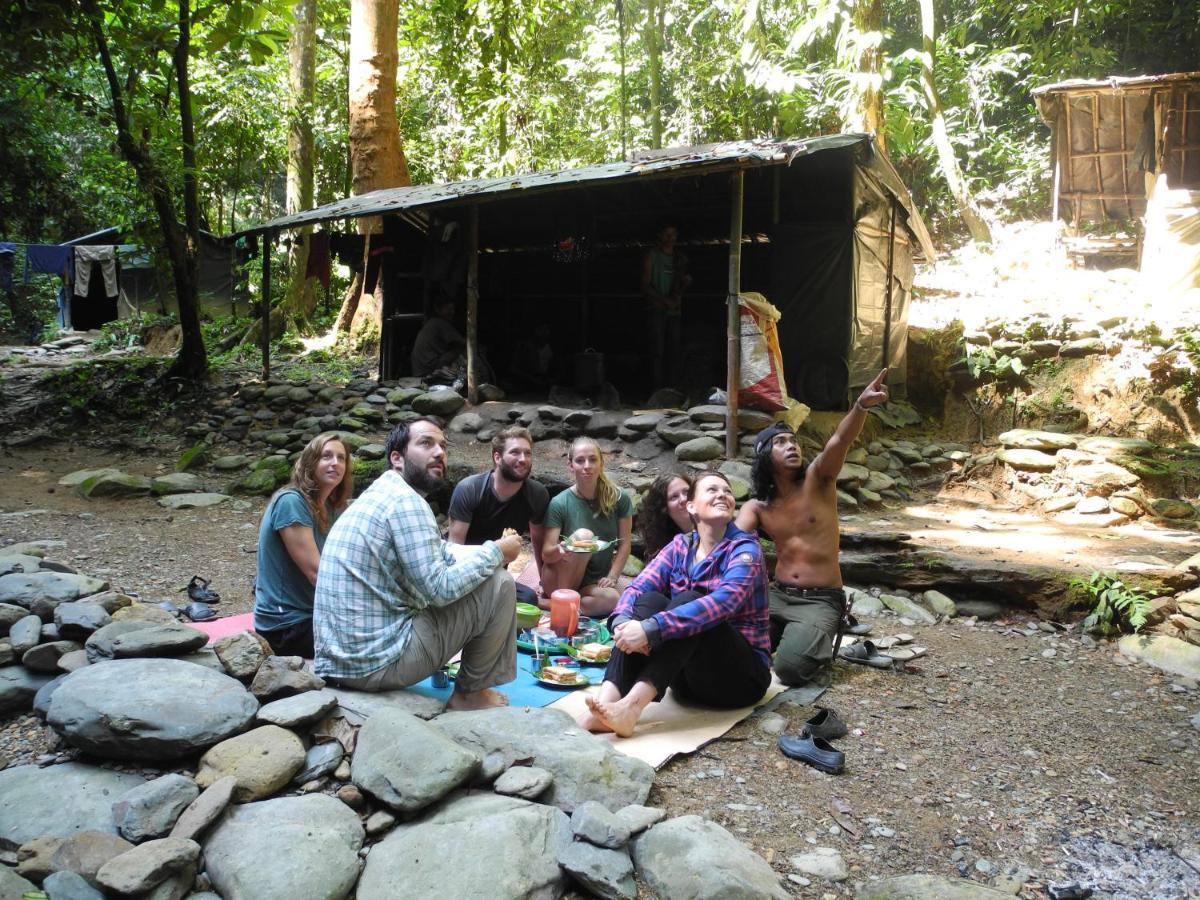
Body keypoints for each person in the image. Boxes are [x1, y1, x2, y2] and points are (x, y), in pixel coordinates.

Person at [313, 417, 522, 708]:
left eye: (442, 446)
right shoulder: (407, 503)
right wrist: (497, 553)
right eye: (426, 443)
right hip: (374, 664)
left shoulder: (383, 494)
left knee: (487, 571)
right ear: (397, 459)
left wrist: (489, 550)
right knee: (500, 584)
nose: (439, 452)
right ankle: (470, 695)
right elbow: (440, 590)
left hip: (341, 662)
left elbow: (441, 552)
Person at [578, 473, 772, 737]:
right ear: (691, 506)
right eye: (712, 489)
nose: (723, 495)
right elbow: (638, 587)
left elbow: (724, 602)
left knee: (691, 603)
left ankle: (632, 708)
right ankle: (607, 703)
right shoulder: (681, 545)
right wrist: (623, 622)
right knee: (650, 600)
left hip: (739, 681)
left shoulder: (745, 549)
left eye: (727, 491)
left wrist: (650, 628)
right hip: (685, 680)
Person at [735, 368, 891, 686]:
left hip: (820, 599)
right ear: (764, 456)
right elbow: (730, 545)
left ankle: (821, 633)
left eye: (794, 441)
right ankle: (788, 638)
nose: (792, 446)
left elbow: (840, 439)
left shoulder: (818, 478)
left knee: (789, 671)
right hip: (776, 595)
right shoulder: (758, 506)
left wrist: (860, 406)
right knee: (734, 652)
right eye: (780, 442)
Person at [253, 433, 353, 658]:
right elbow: (318, 573)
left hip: (318, 614)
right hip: (287, 626)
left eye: (341, 458)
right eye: (326, 456)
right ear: (310, 462)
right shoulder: (291, 502)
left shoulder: (334, 507)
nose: (335, 463)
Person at [447, 426, 548, 605]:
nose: (523, 459)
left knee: (528, 598)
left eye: (527, 453)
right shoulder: (470, 489)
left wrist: (544, 582)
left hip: (498, 574)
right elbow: (453, 551)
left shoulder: (536, 494)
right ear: (497, 457)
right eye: (515, 452)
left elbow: (538, 540)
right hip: (463, 573)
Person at [540, 437, 633, 617]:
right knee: (584, 536)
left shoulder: (619, 498)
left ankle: (550, 604)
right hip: (559, 579)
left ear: (601, 462)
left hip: (592, 583)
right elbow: (546, 554)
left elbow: (625, 544)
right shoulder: (560, 502)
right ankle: (562, 600)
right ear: (570, 465)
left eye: (592, 459)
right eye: (580, 460)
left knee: (613, 599)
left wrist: (613, 577)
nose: (587, 466)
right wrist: (562, 548)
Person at [640, 224, 690, 387]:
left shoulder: (679, 259)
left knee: (673, 352)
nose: (670, 238)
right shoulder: (652, 256)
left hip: (674, 311)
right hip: (656, 309)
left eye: (673, 235)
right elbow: (645, 285)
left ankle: (671, 391)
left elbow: (679, 286)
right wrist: (664, 300)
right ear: (660, 235)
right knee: (656, 352)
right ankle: (655, 391)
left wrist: (685, 283)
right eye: (667, 234)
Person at [636, 473, 694, 561]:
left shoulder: (718, 529)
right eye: (674, 497)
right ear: (663, 509)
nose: (683, 499)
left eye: (687, 492)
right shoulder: (664, 553)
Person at [411, 296, 466, 380]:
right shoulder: (439, 323)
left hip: (421, 370)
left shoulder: (432, 323)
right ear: (437, 310)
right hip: (428, 369)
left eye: (452, 309)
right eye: (448, 309)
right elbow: (463, 344)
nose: (451, 312)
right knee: (460, 349)